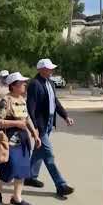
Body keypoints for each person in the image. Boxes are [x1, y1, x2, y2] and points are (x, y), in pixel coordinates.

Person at [0, 72, 41, 205]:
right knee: (11, 170)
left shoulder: (22, 99)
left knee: (23, 171)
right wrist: (15, 124)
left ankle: (16, 198)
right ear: (13, 86)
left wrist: (34, 134)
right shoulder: (5, 101)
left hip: (23, 140)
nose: (25, 85)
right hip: (9, 141)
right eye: (21, 83)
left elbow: (27, 118)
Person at [25, 59, 75, 197]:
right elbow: (31, 107)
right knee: (48, 155)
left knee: (38, 151)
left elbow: (55, 102)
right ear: (41, 69)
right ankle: (61, 185)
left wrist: (65, 116)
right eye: (48, 69)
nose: (51, 70)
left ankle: (29, 176)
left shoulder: (50, 83)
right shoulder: (34, 84)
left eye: (52, 68)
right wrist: (34, 127)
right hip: (40, 125)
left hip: (49, 122)